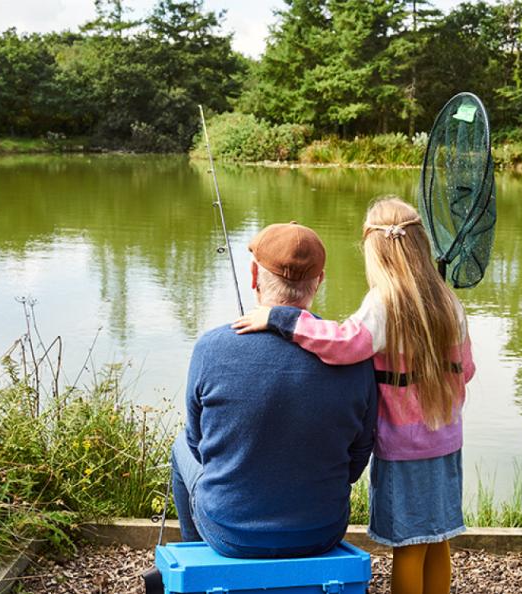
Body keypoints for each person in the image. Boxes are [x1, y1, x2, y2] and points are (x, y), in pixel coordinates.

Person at [233, 197, 475, 594]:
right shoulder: (449, 302)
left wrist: (281, 319)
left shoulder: (385, 304)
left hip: (405, 448)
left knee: (409, 548)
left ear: (375, 253)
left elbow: (344, 343)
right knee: (437, 538)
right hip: (447, 441)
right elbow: (466, 370)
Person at [170, 221, 378, 559]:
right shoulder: (355, 357)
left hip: (228, 533)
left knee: (180, 446)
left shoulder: (211, 347)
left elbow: (196, 445)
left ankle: (199, 561)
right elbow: (355, 465)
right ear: (320, 281)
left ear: (254, 277)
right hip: (321, 531)